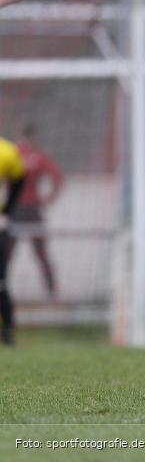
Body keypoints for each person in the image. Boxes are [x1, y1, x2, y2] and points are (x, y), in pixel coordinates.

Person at [6, 125, 63, 298]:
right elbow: (57, 178)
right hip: (33, 209)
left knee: (6, 252)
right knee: (41, 252)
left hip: (16, 209)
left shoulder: (12, 155)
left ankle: (3, 291)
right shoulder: (38, 156)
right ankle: (52, 291)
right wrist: (48, 199)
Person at [0, 134, 26, 345]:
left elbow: (19, 179)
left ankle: (8, 332)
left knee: (0, 281)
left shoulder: (6, 151)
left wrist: (7, 211)